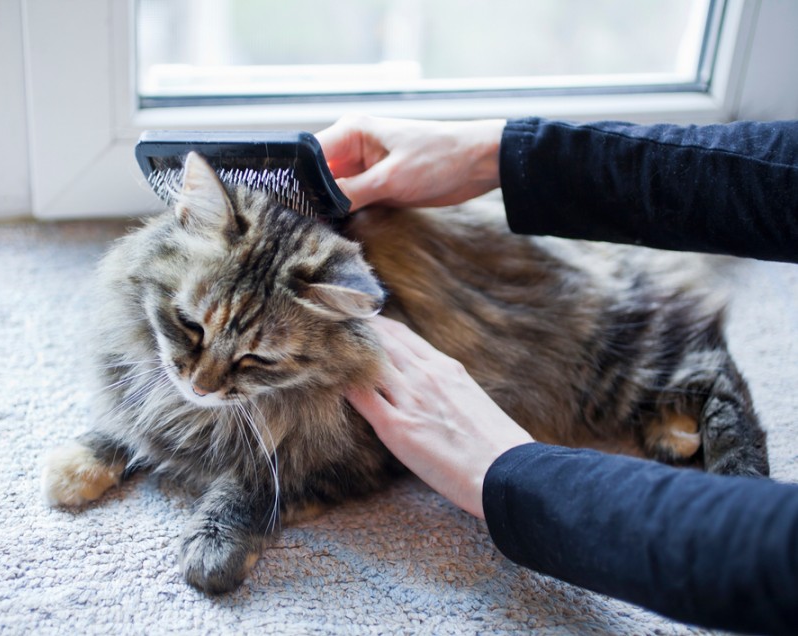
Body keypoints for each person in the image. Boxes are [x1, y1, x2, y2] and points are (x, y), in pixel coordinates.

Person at [316, 115, 798, 635]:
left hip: (582, 320)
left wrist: (509, 471)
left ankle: (692, 386)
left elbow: (771, 557)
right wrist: (500, 154)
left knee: (628, 351)